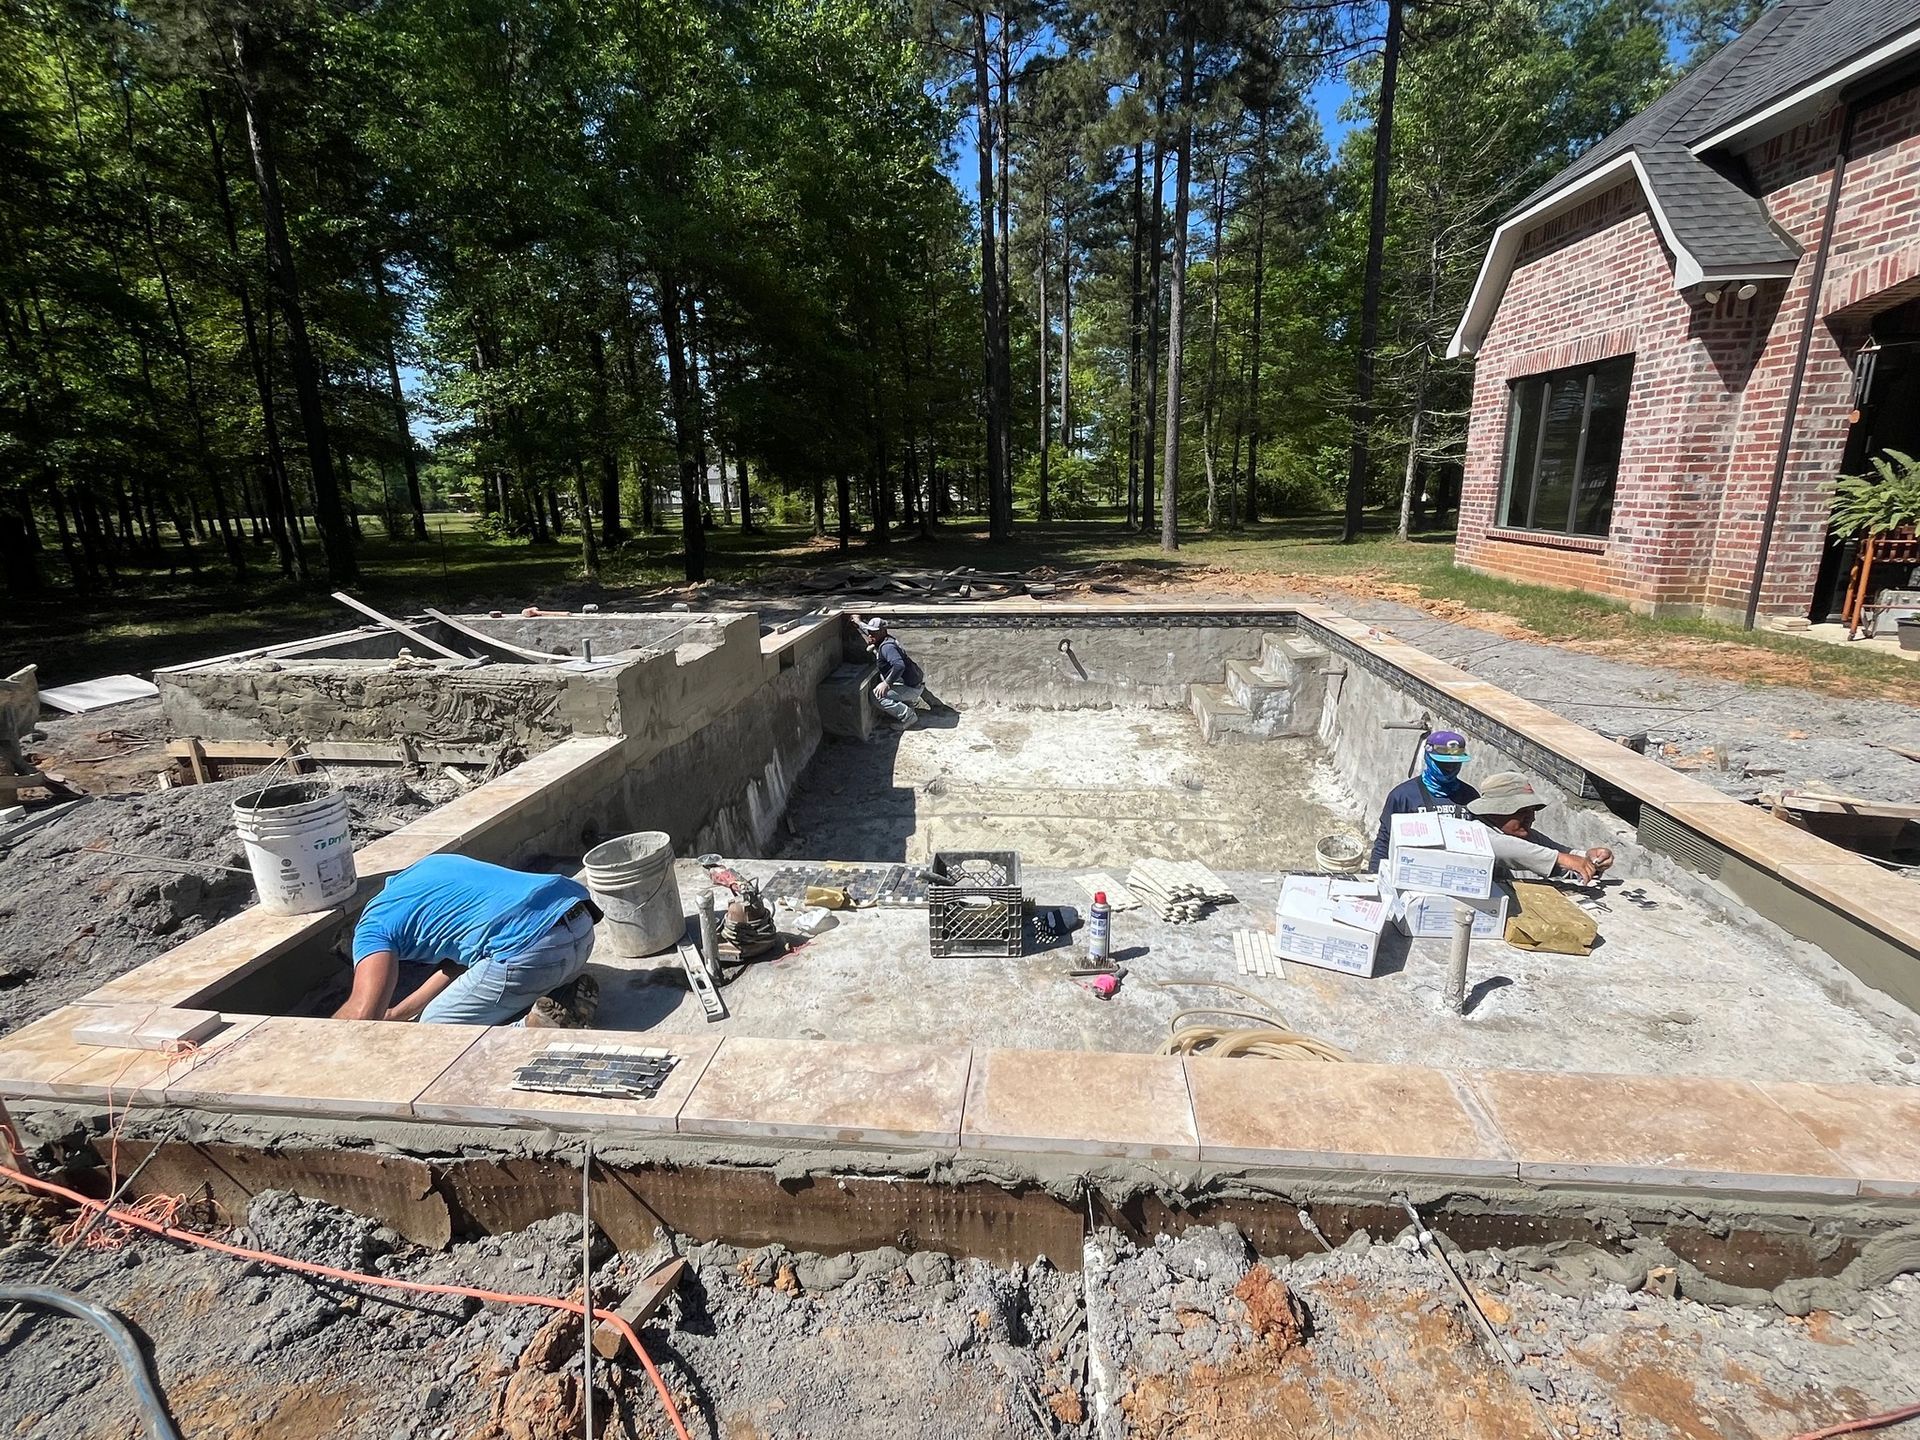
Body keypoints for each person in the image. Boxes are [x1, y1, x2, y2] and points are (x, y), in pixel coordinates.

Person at [335, 854, 599, 1025]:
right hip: (579, 919)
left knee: (434, 1027)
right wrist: (397, 1013)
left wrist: (316, 1037)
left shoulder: (371, 930)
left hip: (532, 950)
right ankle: (562, 997)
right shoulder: (421, 874)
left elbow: (362, 1014)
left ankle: (531, 1027)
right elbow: (457, 965)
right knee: (489, 982)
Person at [1466, 771, 1616, 884]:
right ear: (1494, 812)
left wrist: (1592, 859)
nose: (1531, 818)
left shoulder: (1528, 837)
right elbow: (1504, 848)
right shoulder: (1474, 832)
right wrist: (1560, 859)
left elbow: (1566, 856)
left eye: (1532, 811)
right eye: (1522, 812)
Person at [1369, 731, 1479, 868]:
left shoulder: (1471, 797)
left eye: (1455, 764)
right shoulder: (1403, 796)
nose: (1449, 769)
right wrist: (1374, 875)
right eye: (1443, 765)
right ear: (1428, 758)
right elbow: (1384, 842)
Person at [853, 616, 935, 730]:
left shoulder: (887, 647)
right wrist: (858, 622)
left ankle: (909, 717)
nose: (870, 635)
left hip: (911, 688)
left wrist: (886, 683)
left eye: (874, 633)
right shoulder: (884, 639)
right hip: (913, 683)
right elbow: (869, 631)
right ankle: (908, 706)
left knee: (877, 696)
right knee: (886, 683)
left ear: (883, 631)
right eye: (870, 632)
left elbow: (899, 665)